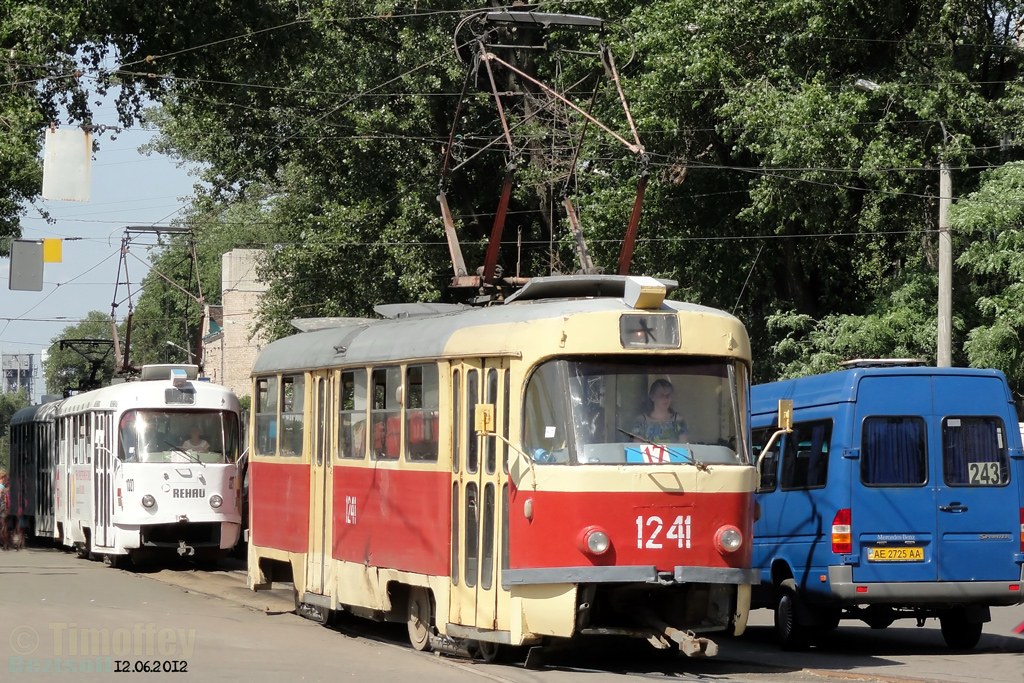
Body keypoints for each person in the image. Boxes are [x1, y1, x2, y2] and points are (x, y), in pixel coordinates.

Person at [632, 379, 688, 443]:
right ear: (652, 397)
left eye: (668, 395)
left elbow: (683, 447)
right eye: (661, 395)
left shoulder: (679, 421)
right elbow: (637, 448)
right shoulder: (641, 422)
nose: (665, 399)